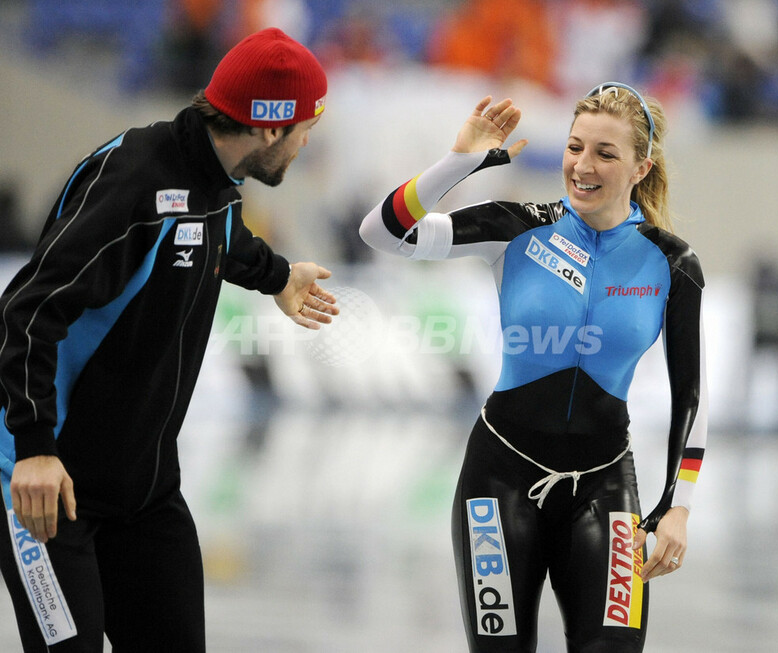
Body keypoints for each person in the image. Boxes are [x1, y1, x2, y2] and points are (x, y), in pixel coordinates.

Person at [0, 27, 338, 651]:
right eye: (304, 128)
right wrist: (34, 449)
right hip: (50, 481)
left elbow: (222, 236)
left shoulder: (213, 181)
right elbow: (26, 310)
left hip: (145, 489)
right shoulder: (135, 182)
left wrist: (279, 276)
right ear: (269, 127)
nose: (307, 144)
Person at [359, 84, 707, 652]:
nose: (583, 166)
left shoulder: (672, 262)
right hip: (499, 481)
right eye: (575, 147)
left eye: (605, 153)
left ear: (642, 166)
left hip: (606, 484)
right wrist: (461, 162)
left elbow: (692, 396)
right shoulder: (517, 227)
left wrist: (677, 508)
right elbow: (381, 232)